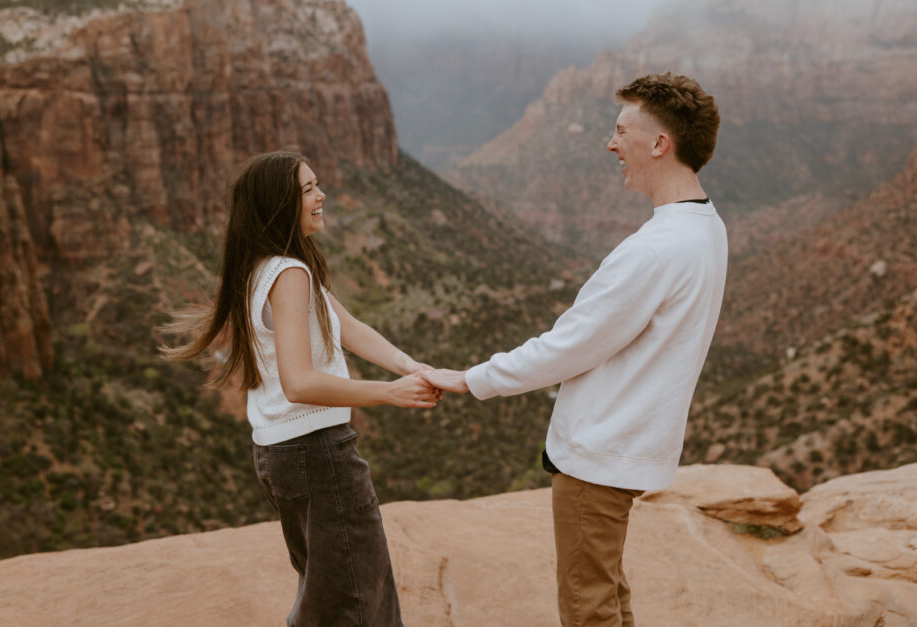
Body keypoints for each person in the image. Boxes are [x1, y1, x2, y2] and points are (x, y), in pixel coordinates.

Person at [426, 72, 727, 626]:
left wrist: (472, 378)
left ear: (659, 143)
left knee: (588, 608)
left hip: (599, 456)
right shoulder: (708, 227)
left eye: (620, 131)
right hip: (632, 447)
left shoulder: (654, 251)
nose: (610, 144)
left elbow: (567, 347)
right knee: (608, 594)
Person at [161, 151, 440, 626]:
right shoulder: (289, 275)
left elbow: (348, 326)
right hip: (316, 454)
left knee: (328, 591)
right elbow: (299, 382)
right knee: (353, 601)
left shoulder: (268, 266)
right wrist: (390, 393)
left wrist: (410, 365)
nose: (321, 195)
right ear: (280, 204)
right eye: (308, 189)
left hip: (285, 456)